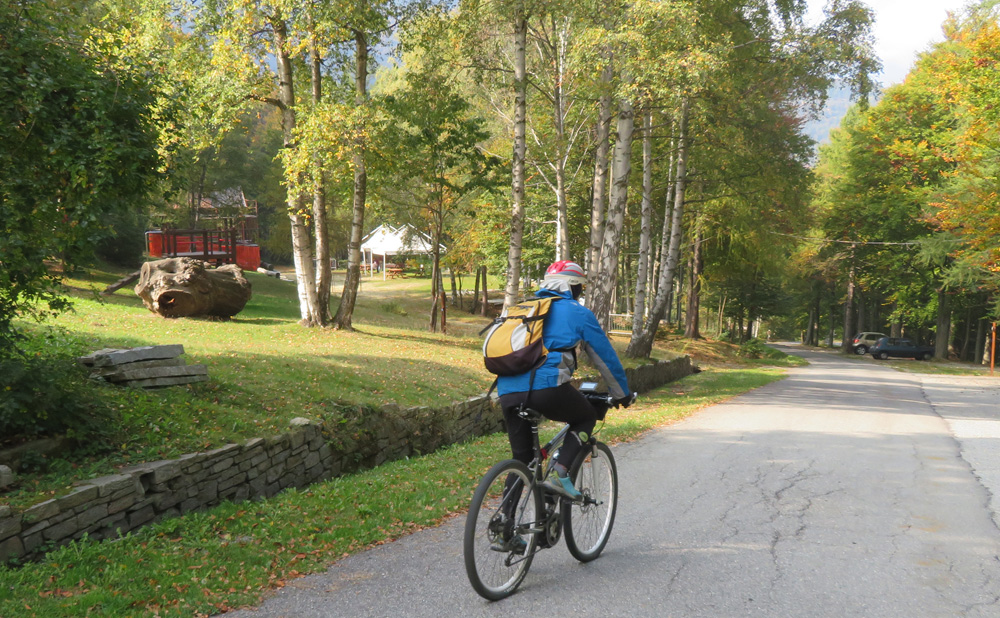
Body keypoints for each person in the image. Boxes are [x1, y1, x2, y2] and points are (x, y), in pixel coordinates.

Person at [497, 260, 632, 503]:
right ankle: (560, 473)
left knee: (523, 460)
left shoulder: (521, 308)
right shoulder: (578, 312)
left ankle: (504, 527)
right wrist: (621, 393)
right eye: (580, 288)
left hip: (506, 390)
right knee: (585, 417)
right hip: (547, 388)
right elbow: (605, 358)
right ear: (574, 287)